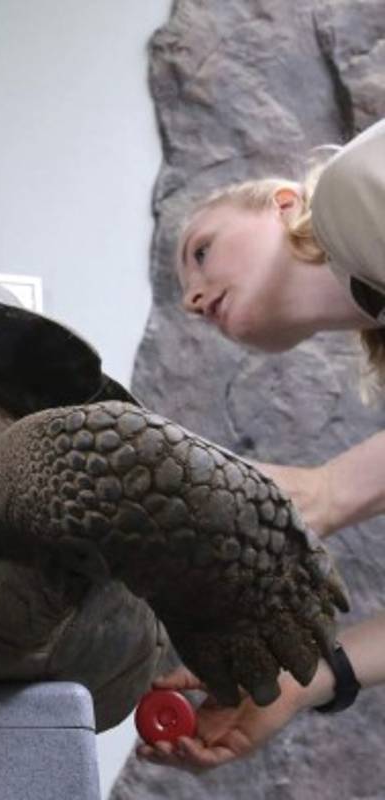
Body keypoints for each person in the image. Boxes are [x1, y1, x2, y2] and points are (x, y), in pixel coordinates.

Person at [138, 117, 385, 772]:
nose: (192, 298)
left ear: (284, 204)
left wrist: (331, 490)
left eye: (201, 251)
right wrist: (304, 681)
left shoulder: (355, 185)